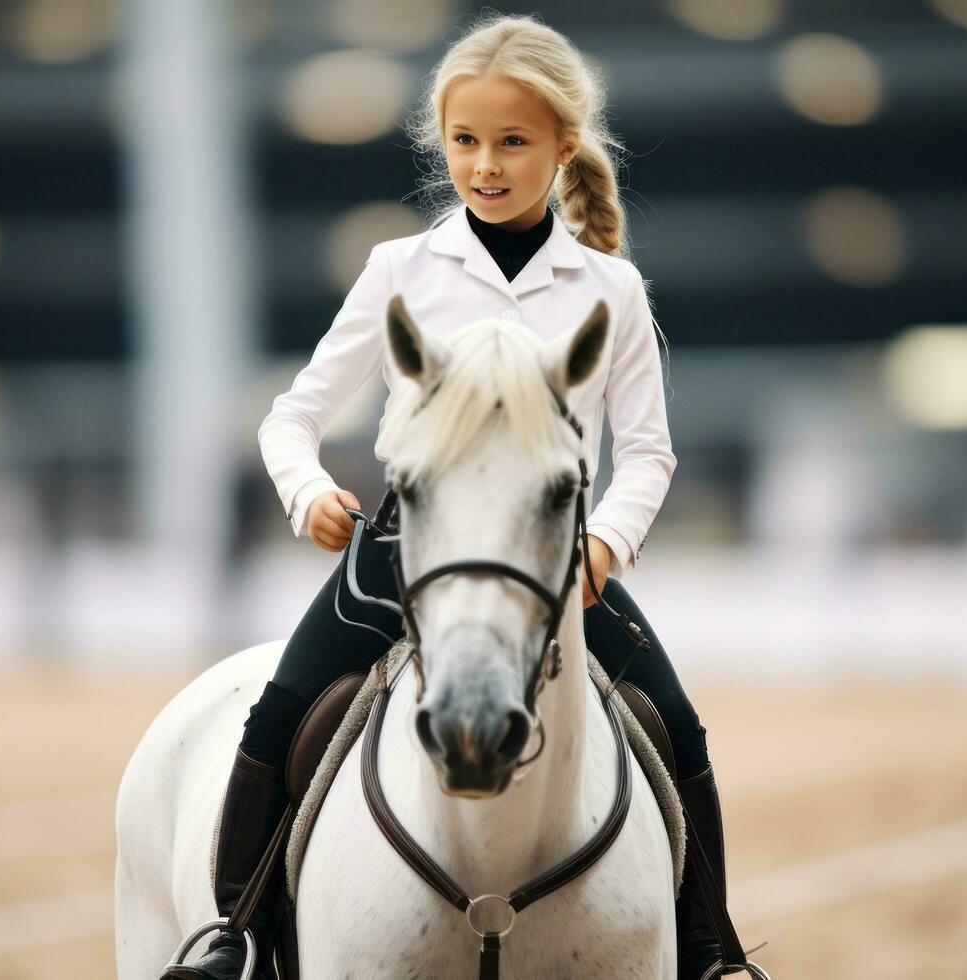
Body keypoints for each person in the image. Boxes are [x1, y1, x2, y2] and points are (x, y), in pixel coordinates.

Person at [166, 14, 741, 979]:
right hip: (403, 549)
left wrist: (602, 546)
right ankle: (239, 937)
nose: (484, 164)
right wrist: (305, 491)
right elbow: (288, 417)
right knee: (278, 713)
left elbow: (646, 456)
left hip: (558, 564)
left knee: (672, 725)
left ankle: (709, 954)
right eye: (465, 141)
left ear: (563, 146)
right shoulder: (400, 271)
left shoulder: (612, 289)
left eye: (511, 141)